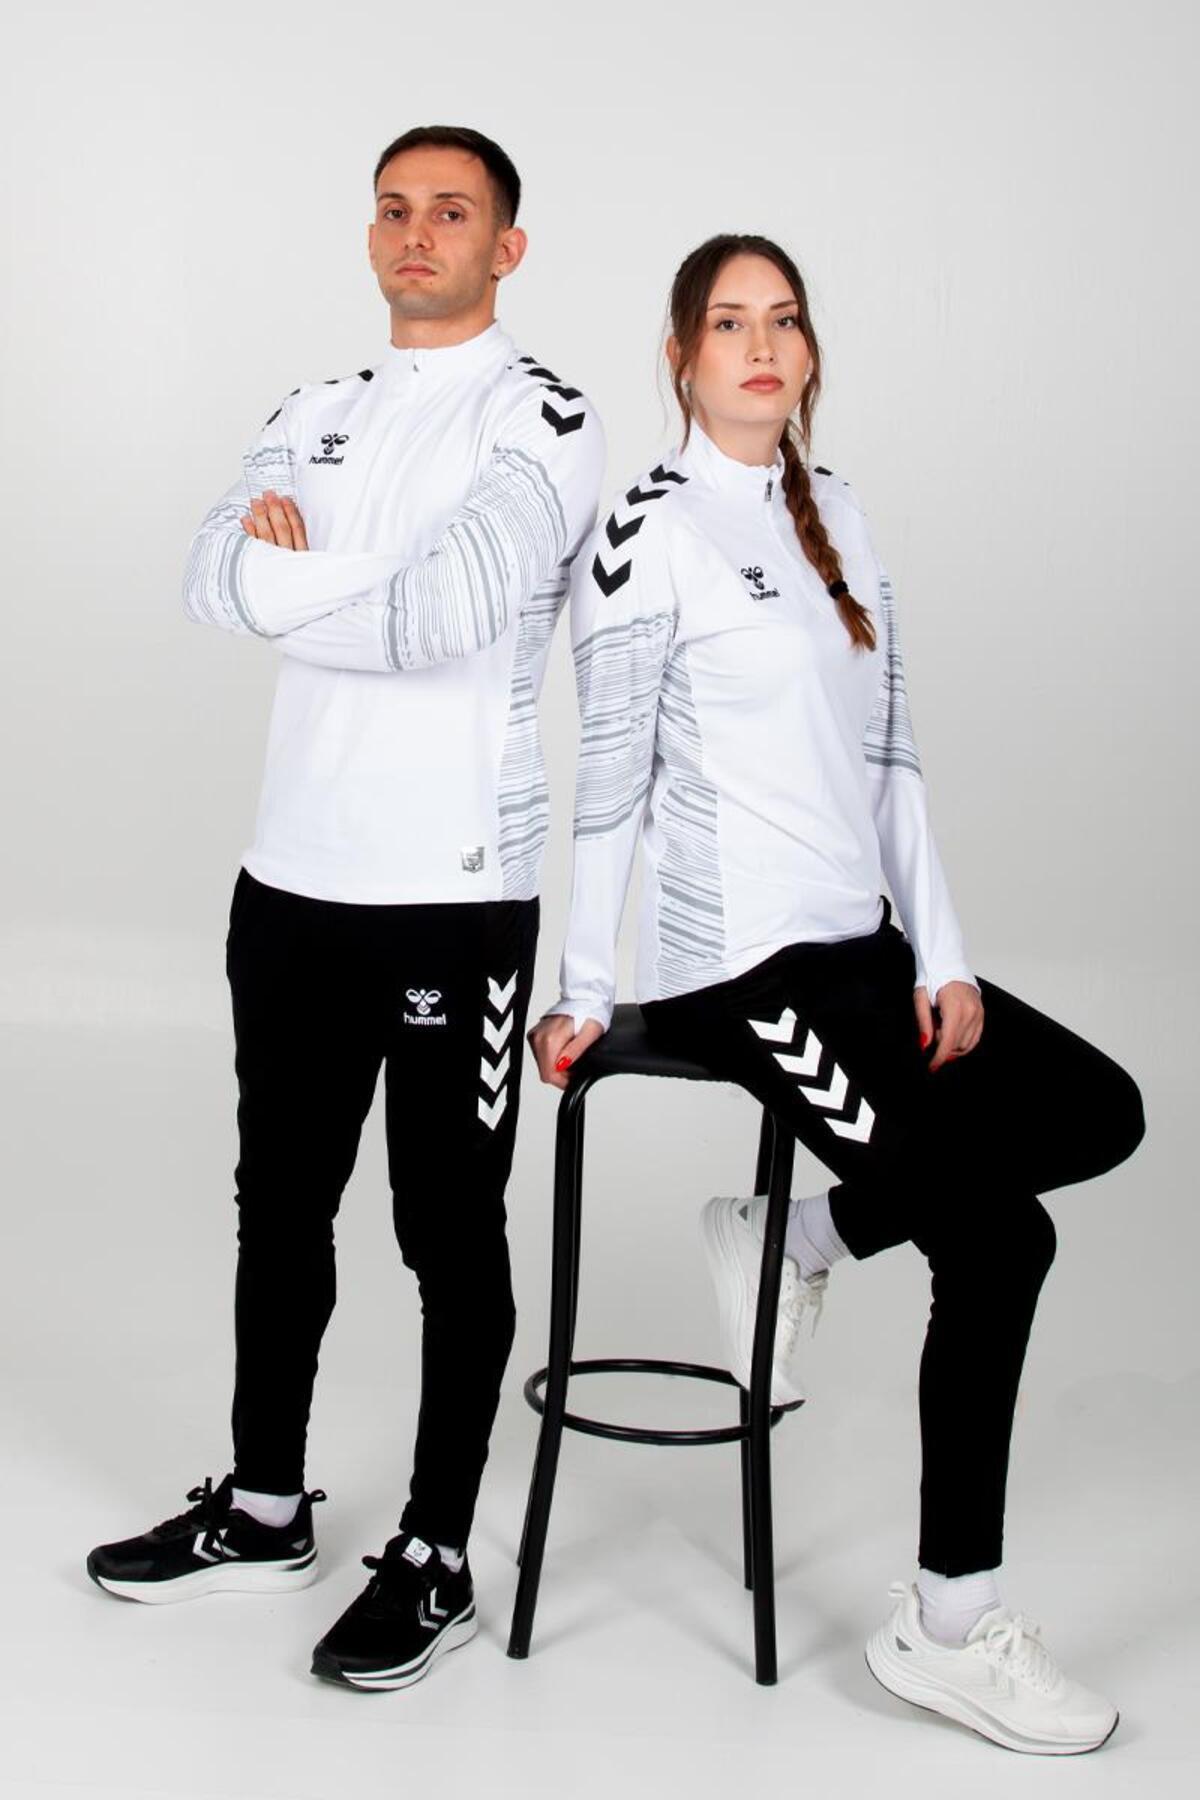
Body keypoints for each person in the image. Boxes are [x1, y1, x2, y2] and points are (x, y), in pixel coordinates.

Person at [527, 233, 1145, 1754]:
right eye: (728, 323)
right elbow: (607, 777)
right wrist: (585, 986)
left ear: (808, 351)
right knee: (1000, 1240)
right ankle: (950, 1625)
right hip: (738, 969)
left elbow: (891, 758)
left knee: (1101, 1110)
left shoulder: (843, 516)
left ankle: (797, 1234)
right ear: (681, 357)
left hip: (859, 948)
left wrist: (942, 953)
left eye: (784, 320)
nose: (761, 346)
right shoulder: (649, 531)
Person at [86, 124, 605, 1694]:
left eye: (452, 211)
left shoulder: (544, 415)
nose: (416, 233)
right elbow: (205, 580)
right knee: (281, 1204)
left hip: (453, 898)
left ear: (507, 246)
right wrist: (359, 582)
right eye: (393, 209)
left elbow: (451, 612)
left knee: (446, 1228)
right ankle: (263, 1507)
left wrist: (300, 585)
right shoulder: (312, 408)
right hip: (290, 885)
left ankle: (436, 1553)